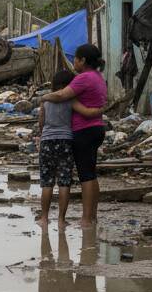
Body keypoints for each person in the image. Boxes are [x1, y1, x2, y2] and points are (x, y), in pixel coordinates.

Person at [41, 44, 107, 225]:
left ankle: (86, 219)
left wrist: (44, 97)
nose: (73, 62)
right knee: (91, 173)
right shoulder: (98, 77)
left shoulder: (83, 78)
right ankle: (93, 215)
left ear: (83, 60)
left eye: (76, 59)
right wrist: (99, 112)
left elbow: (62, 95)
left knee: (85, 175)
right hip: (97, 129)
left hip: (83, 131)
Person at [36, 69, 77, 224]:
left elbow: (41, 122)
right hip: (66, 141)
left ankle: (44, 218)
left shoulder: (46, 101)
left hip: (47, 141)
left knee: (47, 182)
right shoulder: (72, 100)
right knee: (64, 182)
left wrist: (44, 135)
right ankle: (61, 219)